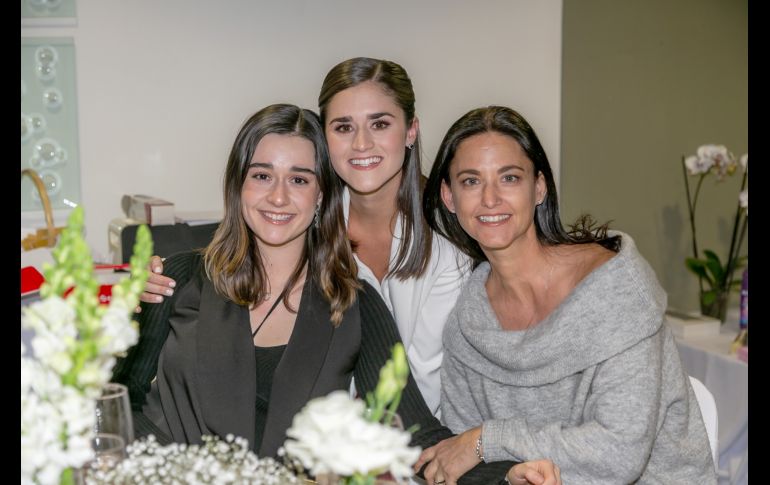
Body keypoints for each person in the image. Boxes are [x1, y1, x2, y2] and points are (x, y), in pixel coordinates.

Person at [113, 103, 559, 484]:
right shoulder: (175, 279)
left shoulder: (355, 302)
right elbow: (115, 400)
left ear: (322, 194)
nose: (279, 197)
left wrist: (502, 474)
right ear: (238, 184)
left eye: (300, 179)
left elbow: (413, 432)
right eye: (262, 175)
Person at [140, 57, 472, 418]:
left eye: (379, 123)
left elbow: (422, 400)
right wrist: (169, 275)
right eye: (343, 127)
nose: (361, 143)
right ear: (324, 140)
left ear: (410, 131)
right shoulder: (300, 222)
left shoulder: (448, 252)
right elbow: (241, 250)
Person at [415, 105, 717, 485]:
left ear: (539, 187)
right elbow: (467, 461)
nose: (490, 199)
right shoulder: (466, 327)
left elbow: (618, 454)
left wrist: (489, 440)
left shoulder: (614, 288)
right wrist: (499, 465)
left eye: (509, 178)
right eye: (471, 181)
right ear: (448, 196)